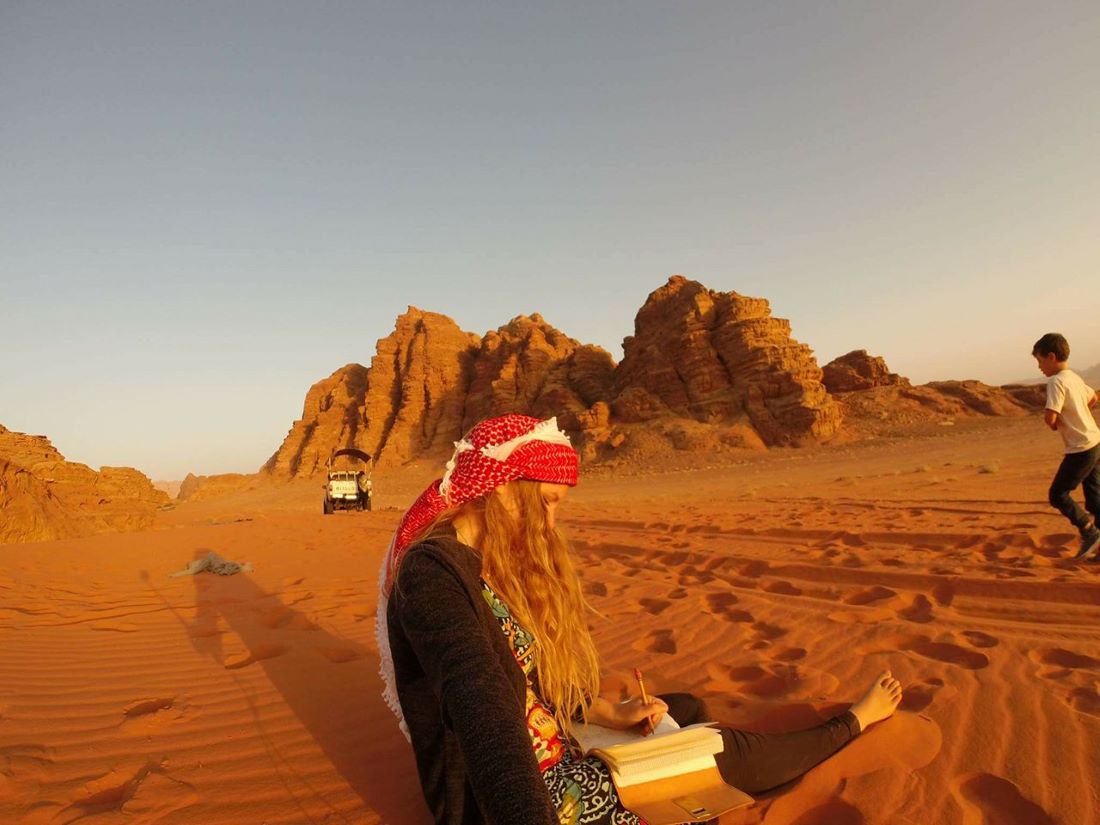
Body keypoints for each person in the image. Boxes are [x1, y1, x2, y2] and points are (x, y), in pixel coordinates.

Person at [376, 414, 903, 825]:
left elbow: (523, 681)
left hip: (549, 745)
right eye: (550, 503)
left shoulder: (484, 559)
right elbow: (482, 706)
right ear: (505, 488)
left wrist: (604, 711)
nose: (553, 522)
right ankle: (851, 724)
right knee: (720, 748)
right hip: (526, 796)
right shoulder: (433, 574)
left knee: (683, 709)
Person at [1032, 333, 1100, 560]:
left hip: (1080, 447)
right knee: (1094, 498)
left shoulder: (1056, 381)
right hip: (1095, 441)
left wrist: (1055, 424)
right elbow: (1093, 399)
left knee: (1058, 494)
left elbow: (1051, 415)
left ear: (1051, 357)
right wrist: (1079, 412)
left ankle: (1089, 531)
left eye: (1040, 361)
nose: (1040, 367)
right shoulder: (1074, 377)